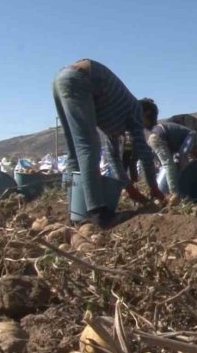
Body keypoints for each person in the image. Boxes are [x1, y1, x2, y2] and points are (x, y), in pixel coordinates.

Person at [52, 59, 164, 229]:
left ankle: (76, 212)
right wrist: (154, 187)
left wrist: (128, 186)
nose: (143, 129)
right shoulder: (134, 109)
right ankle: (99, 213)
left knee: (74, 151)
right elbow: (145, 154)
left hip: (61, 80)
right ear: (145, 112)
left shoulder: (116, 119)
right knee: (88, 146)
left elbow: (114, 157)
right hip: (78, 79)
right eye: (146, 123)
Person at [148, 122, 197, 195]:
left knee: (167, 166)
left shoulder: (180, 139)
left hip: (155, 137)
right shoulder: (193, 135)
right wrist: (186, 171)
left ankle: (159, 191)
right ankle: (174, 194)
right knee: (169, 165)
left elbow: (180, 155)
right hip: (159, 137)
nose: (192, 154)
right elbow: (183, 154)